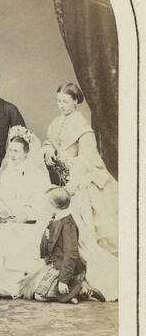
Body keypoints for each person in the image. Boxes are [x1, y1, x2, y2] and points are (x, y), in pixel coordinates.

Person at [42, 83, 118, 301]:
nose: (62, 105)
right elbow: (49, 141)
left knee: (81, 232)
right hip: (60, 180)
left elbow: (87, 159)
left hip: (78, 183)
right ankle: (66, 277)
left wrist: (71, 182)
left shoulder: (83, 126)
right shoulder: (56, 122)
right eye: (59, 101)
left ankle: (89, 280)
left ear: (76, 101)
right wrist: (47, 151)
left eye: (66, 101)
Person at [0, 126, 51, 297]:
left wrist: (25, 213)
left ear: (26, 152)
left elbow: (39, 200)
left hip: (26, 217)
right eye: (10, 150)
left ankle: (12, 283)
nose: (12, 155)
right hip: (7, 214)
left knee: (12, 232)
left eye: (17, 151)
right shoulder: (8, 170)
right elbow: (4, 194)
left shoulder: (35, 173)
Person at [19, 187, 88, 304]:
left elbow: (71, 253)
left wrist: (63, 280)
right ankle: (70, 295)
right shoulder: (55, 220)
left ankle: (78, 290)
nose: (44, 206)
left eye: (46, 203)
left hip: (64, 269)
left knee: (39, 296)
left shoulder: (67, 224)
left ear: (53, 205)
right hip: (54, 265)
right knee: (29, 288)